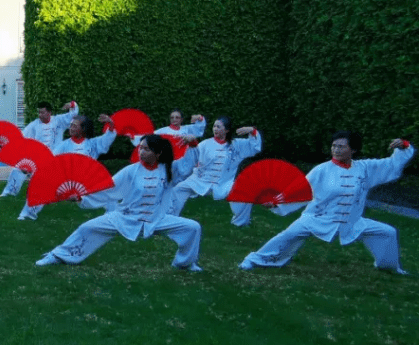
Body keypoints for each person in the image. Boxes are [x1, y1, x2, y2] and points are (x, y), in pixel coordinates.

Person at [239, 133, 414, 274]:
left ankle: (389, 267)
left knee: (388, 232)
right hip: (317, 218)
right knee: (287, 236)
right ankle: (253, 259)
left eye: (341, 146)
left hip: (352, 222)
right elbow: (300, 189)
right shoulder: (322, 170)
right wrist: (276, 202)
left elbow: (391, 164)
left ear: (353, 150)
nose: (336, 150)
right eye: (334, 146)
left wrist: (404, 146)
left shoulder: (365, 168)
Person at [35, 134, 203, 271]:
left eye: (146, 149)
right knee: (87, 228)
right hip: (125, 218)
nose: (141, 152)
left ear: (158, 153)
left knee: (192, 227)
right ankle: (58, 255)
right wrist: (82, 198)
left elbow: (187, 166)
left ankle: (184, 263)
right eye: (140, 148)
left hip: (157, 219)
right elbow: (108, 188)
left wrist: (193, 143)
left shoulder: (168, 169)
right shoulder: (131, 171)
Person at [18, 113, 116, 220]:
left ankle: (113, 216)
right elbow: (49, 161)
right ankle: (27, 214)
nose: (71, 128)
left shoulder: (93, 144)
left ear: (83, 129)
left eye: (74, 126)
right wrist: (31, 169)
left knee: (109, 188)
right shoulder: (64, 145)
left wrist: (110, 124)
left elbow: (108, 137)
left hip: (86, 181)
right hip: (66, 181)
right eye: (71, 125)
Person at [169, 117, 261, 226]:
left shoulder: (237, 145)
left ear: (226, 130)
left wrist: (252, 130)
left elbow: (254, 147)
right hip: (201, 180)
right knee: (178, 189)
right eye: (214, 126)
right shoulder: (205, 144)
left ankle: (241, 222)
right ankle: (170, 218)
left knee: (245, 190)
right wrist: (192, 144)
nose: (215, 129)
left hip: (224, 183)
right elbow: (192, 158)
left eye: (218, 126)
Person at [1, 100, 79, 197]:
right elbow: (22, 137)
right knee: (18, 169)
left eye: (42, 112)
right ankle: (9, 192)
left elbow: (74, 113)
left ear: (49, 112)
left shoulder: (58, 121)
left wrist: (72, 104)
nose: (40, 115)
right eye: (39, 112)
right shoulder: (34, 125)